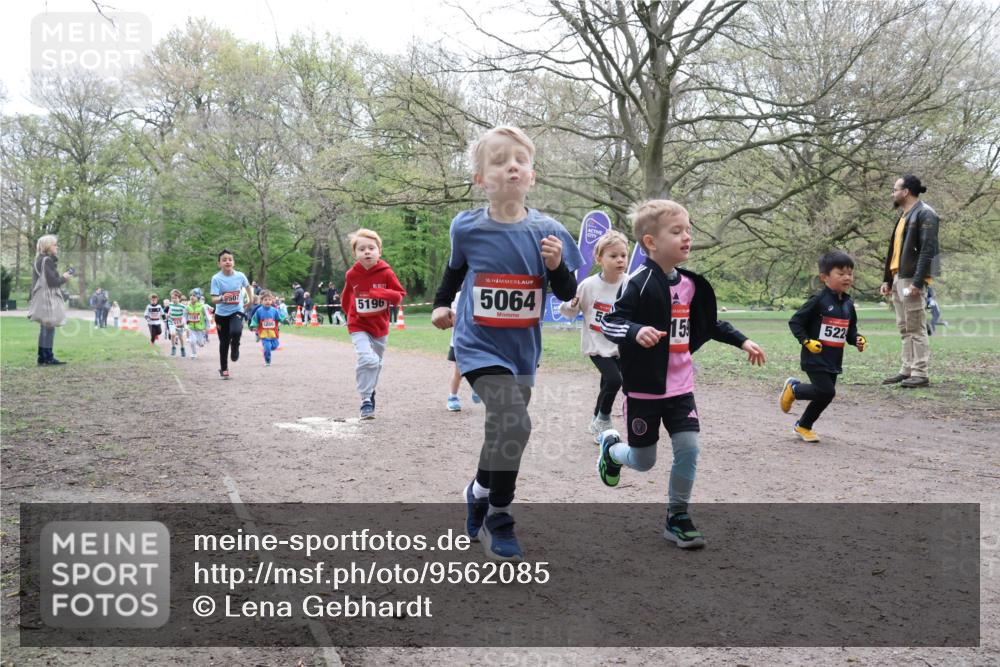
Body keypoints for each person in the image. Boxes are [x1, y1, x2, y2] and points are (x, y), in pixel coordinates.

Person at [431, 125, 584, 561]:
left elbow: (565, 289)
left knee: (504, 429)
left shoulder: (549, 230)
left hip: (522, 350)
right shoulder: (466, 227)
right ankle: (500, 515)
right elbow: (454, 273)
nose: (511, 166)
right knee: (515, 423)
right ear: (481, 179)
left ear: (531, 176)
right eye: (499, 161)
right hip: (477, 345)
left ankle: (478, 490)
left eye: (520, 160)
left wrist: (555, 267)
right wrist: (442, 305)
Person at [598, 199, 766, 549]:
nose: (687, 237)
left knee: (689, 448)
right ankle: (612, 449)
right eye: (677, 232)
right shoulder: (638, 282)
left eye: (689, 230)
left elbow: (707, 323)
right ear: (651, 242)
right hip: (645, 391)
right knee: (644, 461)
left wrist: (743, 340)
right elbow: (610, 321)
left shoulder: (690, 285)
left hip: (680, 388)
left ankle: (677, 517)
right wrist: (635, 331)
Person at [780, 251, 867, 443]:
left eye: (850, 273)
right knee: (827, 391)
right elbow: (795, 322)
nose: (847, 277)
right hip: (815, 357)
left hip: (834, 358)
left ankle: (803, 426)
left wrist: (857, 339)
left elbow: (850, 330)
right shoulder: (818, 301)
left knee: (824, 395)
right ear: (824, 277)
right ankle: (794, 389)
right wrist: (806, 341)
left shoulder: (848, 303)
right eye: (841, 273)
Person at [559, 230, 629, 442]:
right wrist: (570, 304)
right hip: (596, 345)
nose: (619, 260)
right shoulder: (588, 285)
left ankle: (596, 421)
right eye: (613, 256)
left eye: (623, 256)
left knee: (606, 384)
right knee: (614, 379)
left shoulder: (630, 283)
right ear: (599, 259)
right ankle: (604, 419)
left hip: (620, 345)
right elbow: (570, 312)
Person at [879, 174, 940, 388]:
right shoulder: (904, 216)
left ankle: (920, 372)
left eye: (895, 189)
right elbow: (893, 252)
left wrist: (917, 281)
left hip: (911, 279)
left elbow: (927, 251)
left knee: (916, 326)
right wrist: (887, 279)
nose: (892, 193)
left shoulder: (926, 214)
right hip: (898, 277)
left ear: (905, 192)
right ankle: (907, 370)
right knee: (904, 327)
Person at [342, 228, 407, 419]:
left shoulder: (386, 273)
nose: (367, 251)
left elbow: (399, 296)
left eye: (371, 248)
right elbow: (346, 298)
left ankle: (370, 391)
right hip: (358, 324)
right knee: (367, 359)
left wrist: (378, 293)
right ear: (355, 254)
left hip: (379, 327)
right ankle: (365, 399)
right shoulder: (351, 275)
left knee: (376, 363)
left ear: (379, 251)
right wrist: (350, 316)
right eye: (362, 249)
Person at [30, 234, 73, 365]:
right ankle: (46, 357)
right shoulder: (47, 260)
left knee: (47, 327)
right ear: (48, 247)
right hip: (47, 299)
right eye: (54, 244)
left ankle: (44, 357)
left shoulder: (40, 259)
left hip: (42, 298)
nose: (56, 247)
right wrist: (65, 277)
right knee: (48, 328)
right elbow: (53, 282)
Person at [210, 249, 253, 379]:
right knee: (223, 342)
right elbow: (214, 299)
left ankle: (235, 347)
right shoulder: (216, 278)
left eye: (230, 259)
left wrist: (251, 299)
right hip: (221, 315)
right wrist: (223, 298)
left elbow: (248, 286)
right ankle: (224, 369)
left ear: (233, 262)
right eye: (224, 260)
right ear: (219, 264)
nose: (227, 262)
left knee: (236, 332)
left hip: (237, 311)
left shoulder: (240, 276)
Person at [249, 290, 288, 366]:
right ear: (261, 301)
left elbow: (279, 317)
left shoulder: (274, 310)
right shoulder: (259, 311)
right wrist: (253, 326)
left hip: (273, 333)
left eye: (269, 300)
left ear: (272, 301)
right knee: (267, 347)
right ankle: (267, 360)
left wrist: (284, 320)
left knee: (275, 346)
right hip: (264, 334)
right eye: (265, 300)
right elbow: (255, 319)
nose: (267, 301)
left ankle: (267, 350)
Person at [166, 289, 188, 357]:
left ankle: (182, 348)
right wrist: (168, 314)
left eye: (175, 298)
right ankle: (173, 347)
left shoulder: (183, 307)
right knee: (172, 334)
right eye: (172, 298)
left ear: (179, 298)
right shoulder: (170, 304)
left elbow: (185, 316)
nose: (174, 299)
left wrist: (183, 323)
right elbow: (170, 310)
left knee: (181, 337)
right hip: (171, 322)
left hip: (180, 323)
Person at [185, 292, 208, 358]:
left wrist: (207, 327)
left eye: (194, 296)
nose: (192, 297)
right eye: (191, 295)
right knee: (192, 341)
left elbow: (207, 316)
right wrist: (185, 325)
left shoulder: (202, 307)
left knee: (201, 344)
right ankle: (194, 353)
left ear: (197, 298)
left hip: (200, 328)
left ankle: (201, 341)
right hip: (191, 327)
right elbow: (184, 316)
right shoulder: (188, 307)